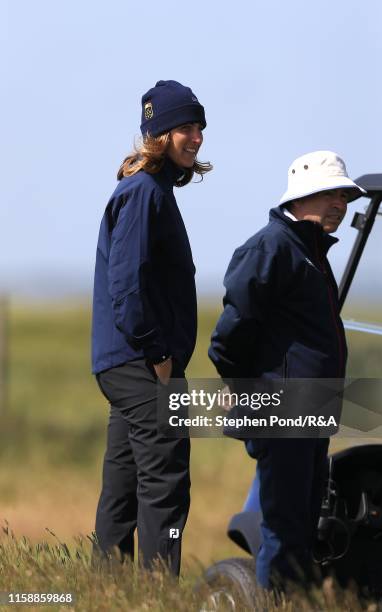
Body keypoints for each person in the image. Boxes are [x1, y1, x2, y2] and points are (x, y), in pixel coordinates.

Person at [209, 151, 365, 590]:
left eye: (344, 195)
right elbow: (230, 334)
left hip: (310, 412)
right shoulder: (272, 247)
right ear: (301, 197)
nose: (340, 203)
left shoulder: (311, 253)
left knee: (300, 527)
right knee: (281, 527)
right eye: (330, 193)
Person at [91, 79, 212, 575]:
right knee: (166, 485)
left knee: (123, 485)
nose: (198, 137)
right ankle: (159, 597)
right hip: (144, 364)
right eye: (186, 127)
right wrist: (159, 355)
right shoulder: (143, 192)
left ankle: (108, 593)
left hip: (128, 364)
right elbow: (127, 284)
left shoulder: (148, 189)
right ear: (158, 134)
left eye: (200, 127)